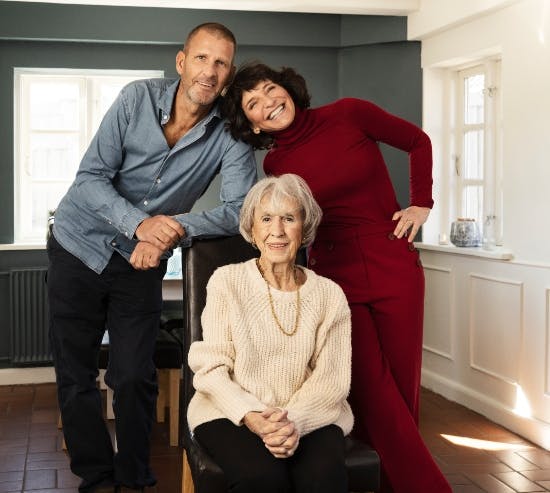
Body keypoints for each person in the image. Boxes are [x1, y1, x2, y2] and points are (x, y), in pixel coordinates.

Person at [221, 63, 452, 493]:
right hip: (333, 274)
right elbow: (286, 227)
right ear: (251, 125)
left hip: (391, 259)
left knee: (402, 393)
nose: (269, 102)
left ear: (287, 89)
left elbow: (417, 141)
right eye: (254, 103)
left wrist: (422, 203)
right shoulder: (275, 162)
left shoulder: (350, 112)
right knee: (368, 389)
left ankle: (385, 484)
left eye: (271, 89)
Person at [47, 23, 257, 493]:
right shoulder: (135, 99)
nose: (210, 71)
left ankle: (134, 478)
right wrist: (140, 224)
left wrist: (170, 231)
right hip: (77, 246)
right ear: (181, 62)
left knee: (134, 376)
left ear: (230, 74)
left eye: (221, 63)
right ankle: (96, 477)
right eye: (201, 59)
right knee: (75, 373)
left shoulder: (232, 132)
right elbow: (90, 179)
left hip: (140, 264)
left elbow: (241, 211)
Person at [187, 174, 353, 493]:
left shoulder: (330, 295)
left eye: (288, 218)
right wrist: (250, 414)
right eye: (266, 219)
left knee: (323, 479)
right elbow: (211, 369)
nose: (277, 230)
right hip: (228, 409)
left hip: (311, 412)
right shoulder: (227, 282)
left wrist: (292, 422)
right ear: (253, 227)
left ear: (303, 227)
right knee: (261, 479)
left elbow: (331, 380)